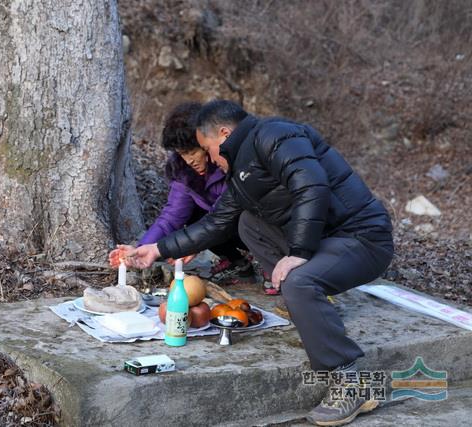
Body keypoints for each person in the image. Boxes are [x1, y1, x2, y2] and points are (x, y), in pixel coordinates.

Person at [120, 100, 394, 426]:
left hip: (362, 237)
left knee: (300, 281)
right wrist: (157, 249)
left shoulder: (275, 135)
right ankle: (306, 304)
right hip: (330, 238)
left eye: (208, 149)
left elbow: (312, 186)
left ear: (224, 133)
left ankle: (350, 380)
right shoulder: (239, 170)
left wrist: (300, 253)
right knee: (248, 223)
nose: (207, 159)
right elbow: (216, 223)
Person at [128, 101, 252, 277]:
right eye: (182, 154)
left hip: (247, 226)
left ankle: (272, 261)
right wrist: (143, 249)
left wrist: (195, 243)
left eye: (193, 152)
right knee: (192, 215)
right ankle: (236, 261)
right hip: (215, 226)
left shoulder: (230, 161)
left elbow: (227, 212)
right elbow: (171, 217)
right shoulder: (182, 171)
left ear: (206, 142)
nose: (189, 161)